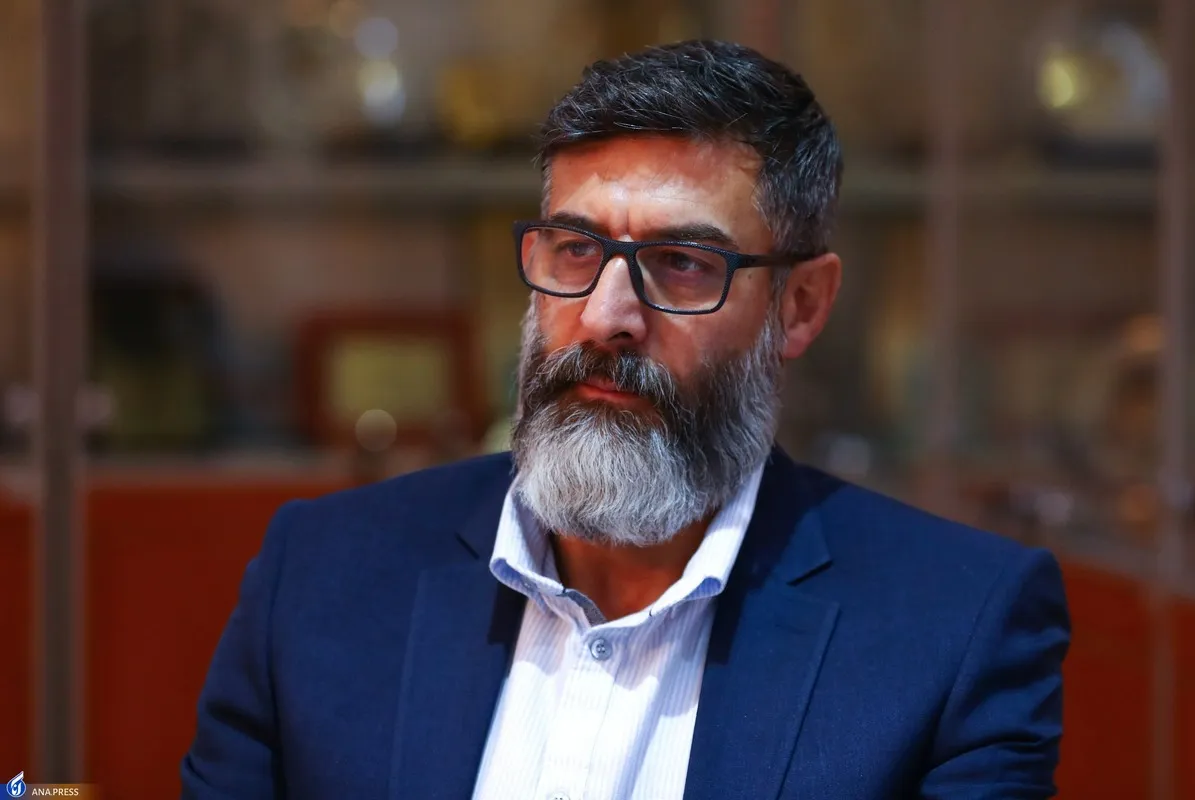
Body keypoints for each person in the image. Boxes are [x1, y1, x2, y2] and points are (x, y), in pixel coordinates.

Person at [182, 40, 1070, 800]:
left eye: (681, 262)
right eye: (576, 249)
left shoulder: (955, 629)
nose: (607, 316)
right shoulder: (321, 577)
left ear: (799, 306)